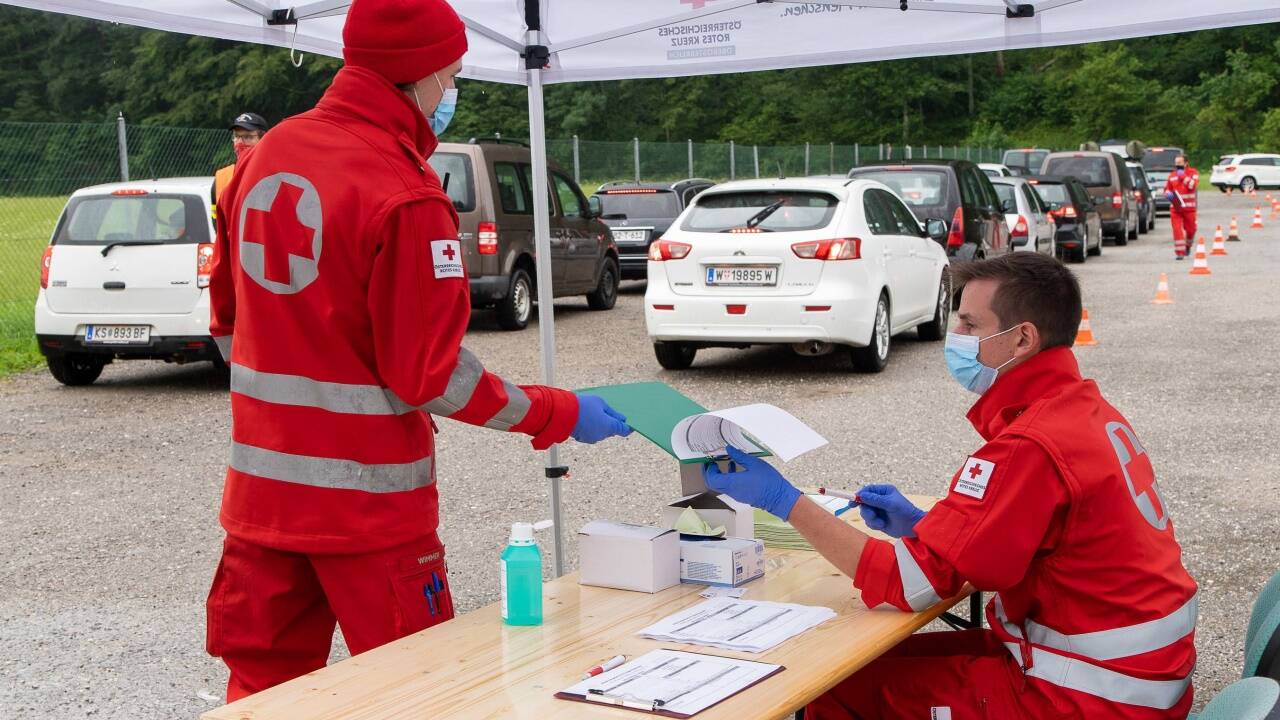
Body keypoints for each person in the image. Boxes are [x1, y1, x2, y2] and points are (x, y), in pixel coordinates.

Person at [204, 0, 631, 702]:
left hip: (261, 503)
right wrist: (557, 411)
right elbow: (431, 375)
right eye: (454, 75)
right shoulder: (404, 192)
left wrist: (290, 394)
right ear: (424, 74)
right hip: (371, 515)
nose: (453, 92)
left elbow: (226, 318)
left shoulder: (265, 154)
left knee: (261, 691)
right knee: (421, 694)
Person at [704, 253, 1197, 719]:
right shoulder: (1082, 410)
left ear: (1022, 339)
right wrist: (924, 526)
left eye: (970, 324)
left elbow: (906, 586)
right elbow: (1016, 546)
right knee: (862, 668)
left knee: (835, 690)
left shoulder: (1030, 442)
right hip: (1136, 674)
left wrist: (783, 500)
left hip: (1085, 695)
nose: (953, 334)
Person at [213, 112, 269, 204]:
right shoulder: (222, 177)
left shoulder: (276, 175)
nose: (239, 143)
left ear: (264, 140)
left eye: (247, 137)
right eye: (236, 136)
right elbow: (216, 217)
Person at [1164, 155, 1199, 260]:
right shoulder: (1172, 175)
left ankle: (1187, 246)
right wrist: (1168, 194)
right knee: (1177, 230)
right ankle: (1179, 252)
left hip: (1189, 209)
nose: (1177, 165)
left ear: (1186, 163)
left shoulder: (1193, 173)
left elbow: (1192, 186)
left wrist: (1183, 176)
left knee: (1191, 230)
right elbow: (1167, 189)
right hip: (1176, 208)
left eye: (1179, 163)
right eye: (1176, 163)